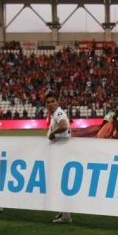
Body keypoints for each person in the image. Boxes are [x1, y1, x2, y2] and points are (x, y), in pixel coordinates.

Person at [46, 92, 73, 224]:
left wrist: (52, 133)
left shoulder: (58, 113)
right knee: (61, 183)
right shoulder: (55, 114)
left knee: (60, 183)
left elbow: (64, 126)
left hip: (62, 152)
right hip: (62, 151)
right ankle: (64, 212)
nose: (50, 104)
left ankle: (66, 215)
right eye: (48, 102)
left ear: (57, 102)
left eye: (53, 101)